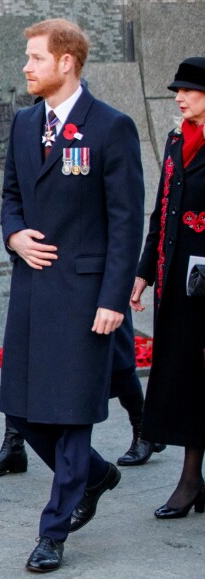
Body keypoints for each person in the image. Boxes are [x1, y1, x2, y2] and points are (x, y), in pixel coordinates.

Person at [0, 19, 144, 572]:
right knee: (25, 409)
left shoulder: (112, 127)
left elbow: (126, 221)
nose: (26, 67)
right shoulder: (22, 123)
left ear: (67, 62)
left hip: (87, 299)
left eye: (36, 58)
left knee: (73, 413)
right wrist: (13, 234)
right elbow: (11, 197)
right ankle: (97, 473)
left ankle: (52, 531)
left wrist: (113, 299)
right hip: (33, 292)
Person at [131, 56, 205, 519]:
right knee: (184, 379)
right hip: (178, 286)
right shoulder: (178, 139)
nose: (178, 97)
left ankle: (191, 480)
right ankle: (192, 477)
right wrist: (143, 273)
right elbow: (162, 212)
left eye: (188, 90)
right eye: (177, 89)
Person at [0, 309, 166, 474]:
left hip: (93, 286)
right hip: (46, 285)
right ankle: (13, 444)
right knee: (27, 352)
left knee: (115, 354)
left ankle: (144, 431)